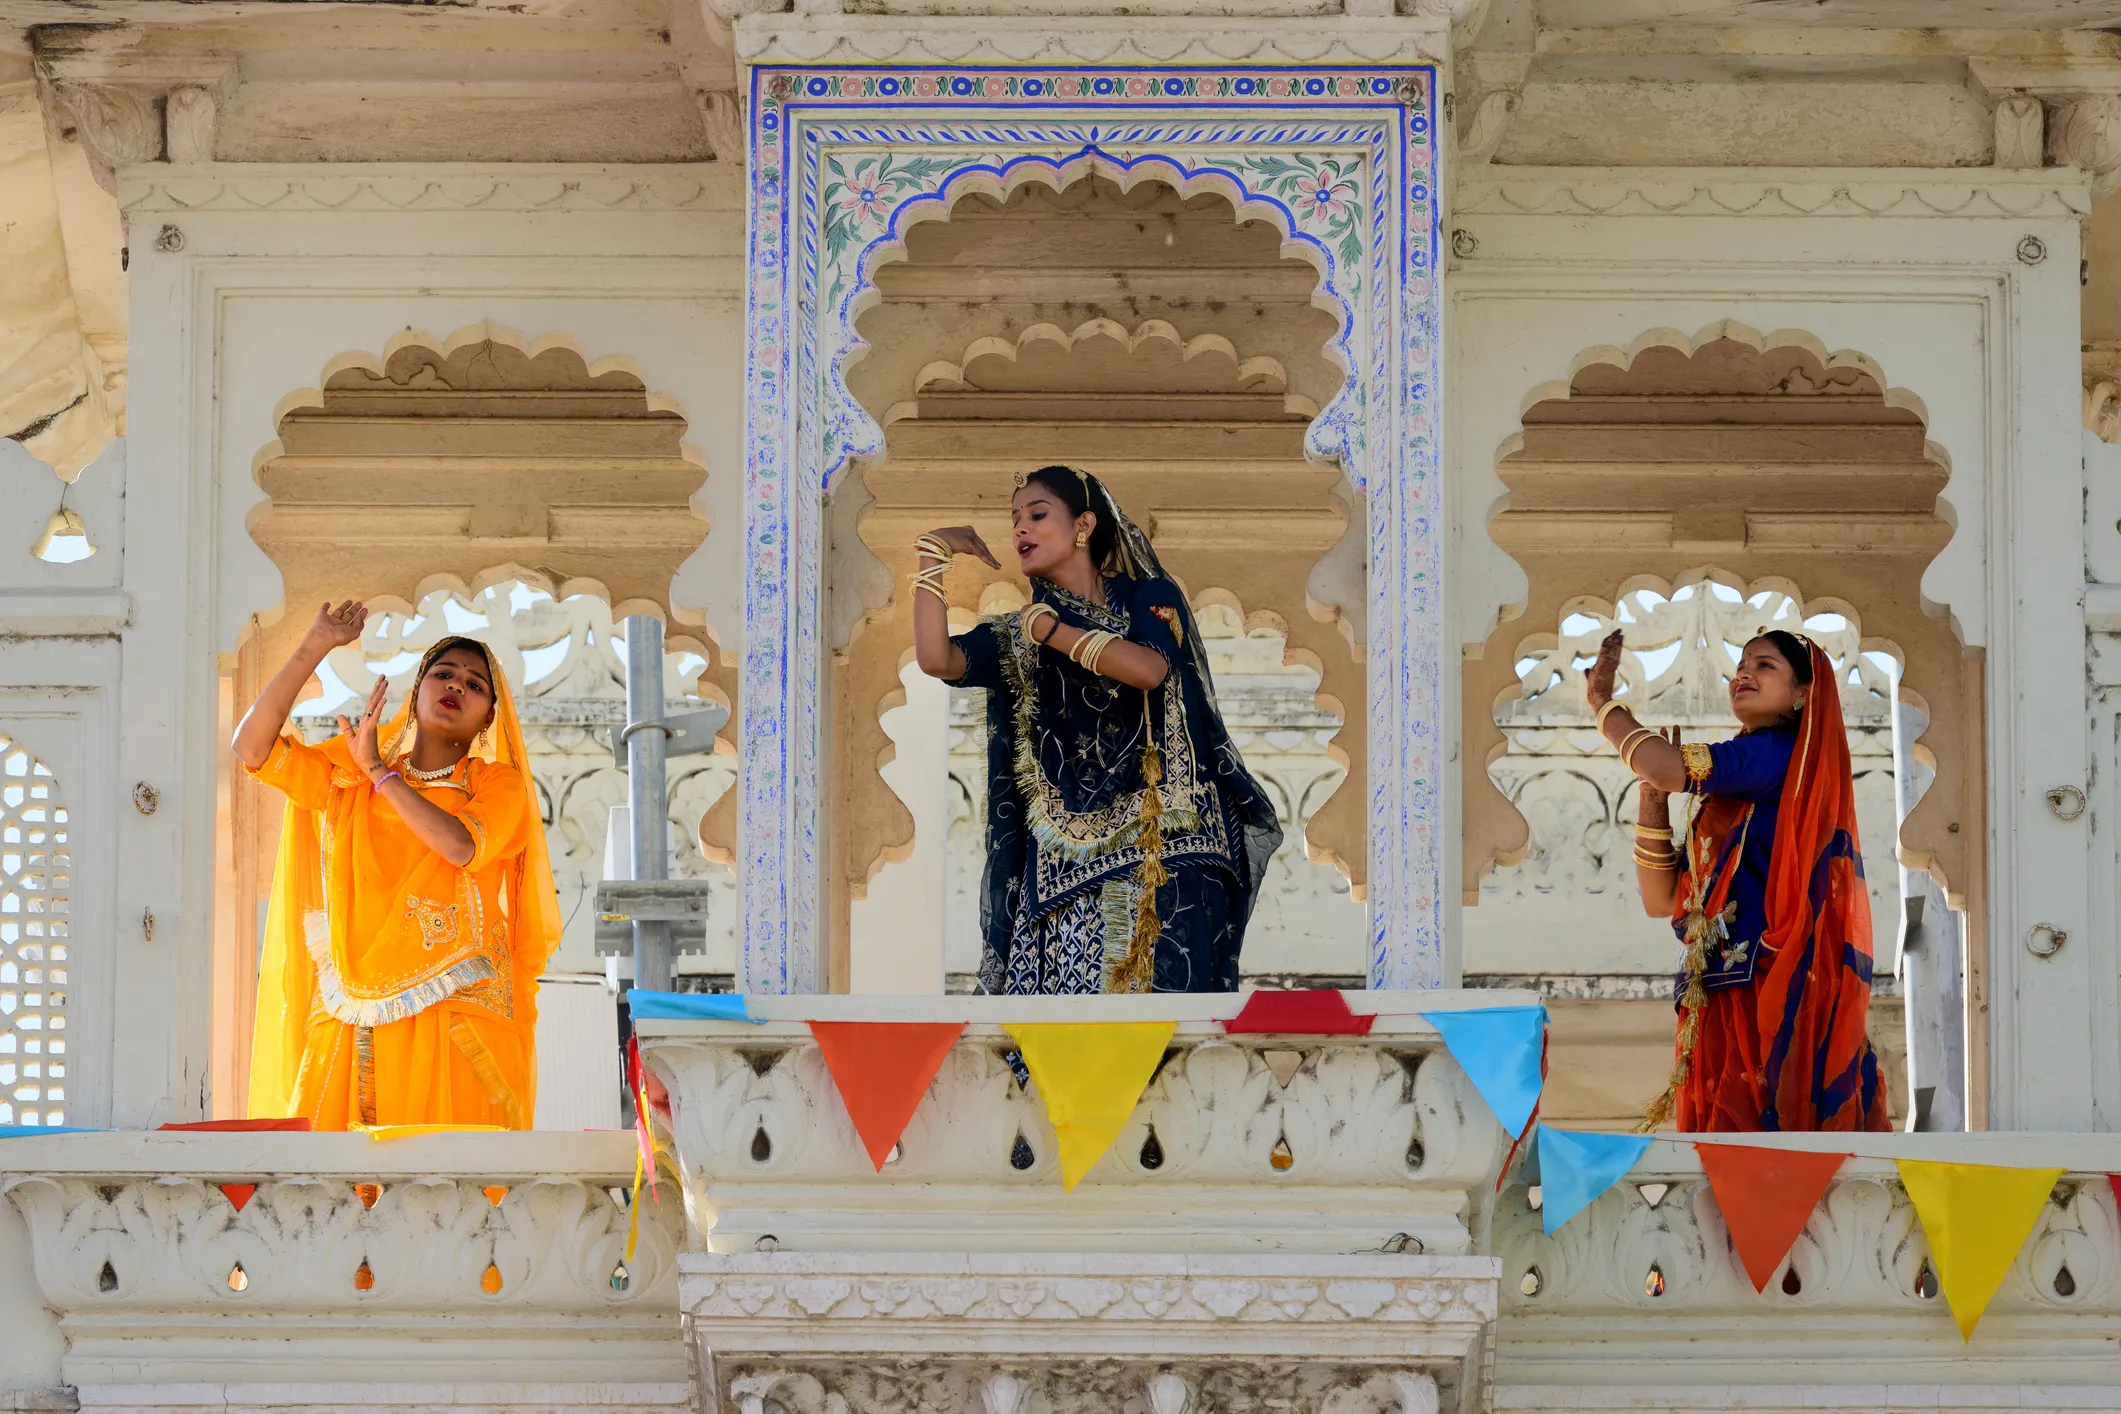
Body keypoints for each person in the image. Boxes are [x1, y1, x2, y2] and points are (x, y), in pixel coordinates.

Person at [912, 466, 1282, 994]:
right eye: (1014, 520)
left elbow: (1149, 668)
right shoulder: (1020, 634)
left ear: (1084, 524)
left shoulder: (1146, 597)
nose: (1021, 530)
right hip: (1070, 863)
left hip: (1171, 842)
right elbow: (937, 658)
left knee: (1170, 1025)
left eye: (1037, 515)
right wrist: (931, 553)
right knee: (1083, 1035)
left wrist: (1053, 632)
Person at [233, 602, 561, 1129]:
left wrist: (383, 776)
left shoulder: (494, 783)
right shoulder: (353, 766)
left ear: (489, 719)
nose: (457, 686)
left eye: (476, 685)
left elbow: (459, 846)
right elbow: (252, 749)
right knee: (326, 1195)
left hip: (459, 1005)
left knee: (451, 1194)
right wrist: (315, 644)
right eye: (444, 673)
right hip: (350, 1004)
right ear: (418, 690)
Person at [1586, 626, 1889, 1132]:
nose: (1743, 673)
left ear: (1802, 694)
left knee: (1752, 1160)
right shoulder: (1733, 792)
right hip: (1720, 993)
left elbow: (1664, 765)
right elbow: (1661, 900)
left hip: (1763, 992)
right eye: (1741, 665)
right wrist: (1654, 799)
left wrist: (1602, 705)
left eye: (1765, 665)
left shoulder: (1778, 752)